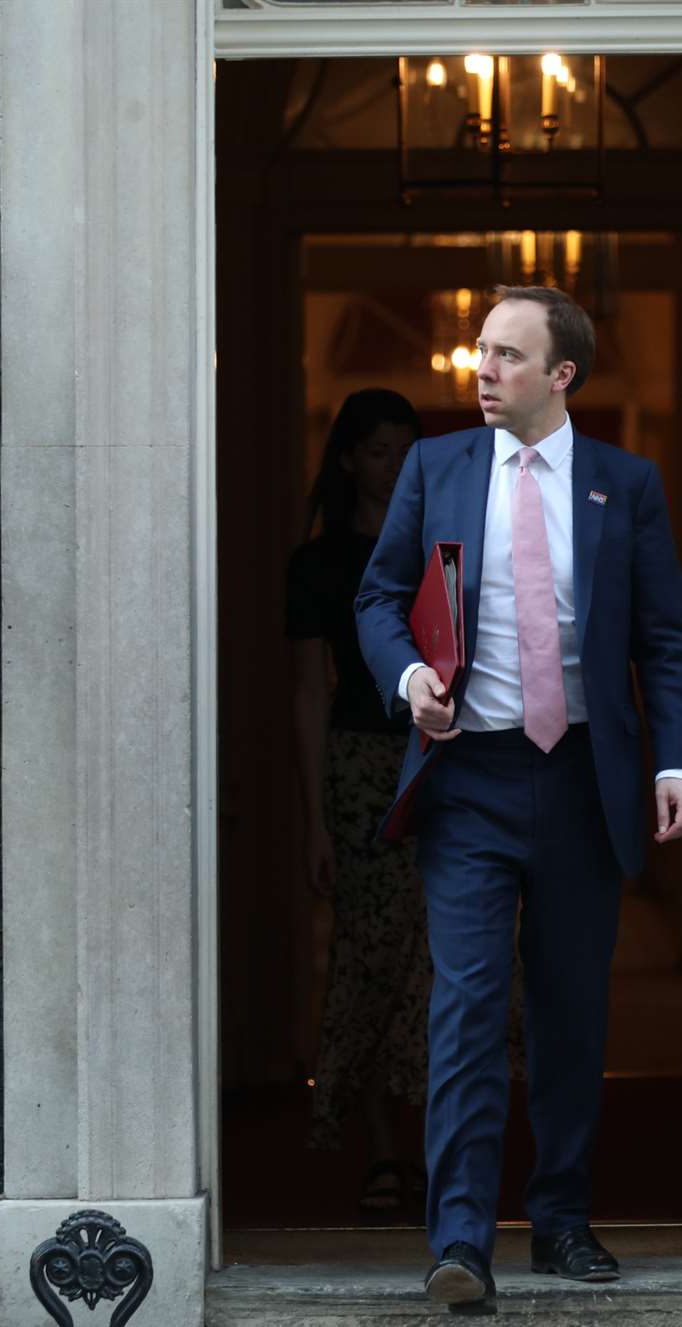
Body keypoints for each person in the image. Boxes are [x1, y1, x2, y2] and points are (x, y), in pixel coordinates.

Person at [355, 288, 682, 1310]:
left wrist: (674, 764)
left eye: (507, 354)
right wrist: (410, 676)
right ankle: (460, 1242)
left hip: (586, 777)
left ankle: (559, 1220)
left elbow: (664, 642)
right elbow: (379, 597)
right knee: (464, 1006)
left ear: (562, 375)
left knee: (569, 1013)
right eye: (480, 350)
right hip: (470, 778)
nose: (482, 368)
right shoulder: (438, 466)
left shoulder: (624, 485)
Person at [286, 388, 432, 1212]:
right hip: (357, 768)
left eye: (406, 450)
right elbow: (308, 692)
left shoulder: (440, 551)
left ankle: (431, 1148)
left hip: (439, 761)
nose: (393, 465)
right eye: (378, 451)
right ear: (349, 458)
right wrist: (313, 819)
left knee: (438, 961)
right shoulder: (317, 564)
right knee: (372, 958)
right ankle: (383, 1150)